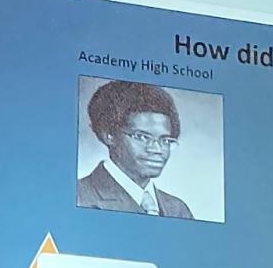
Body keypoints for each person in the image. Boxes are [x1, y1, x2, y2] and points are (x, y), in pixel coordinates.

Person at [76, 80, 195, 219]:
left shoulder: (178, 209)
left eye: (165, 140)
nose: (157, 149)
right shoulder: (79, 196)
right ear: (109, 135)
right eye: (142, 137)